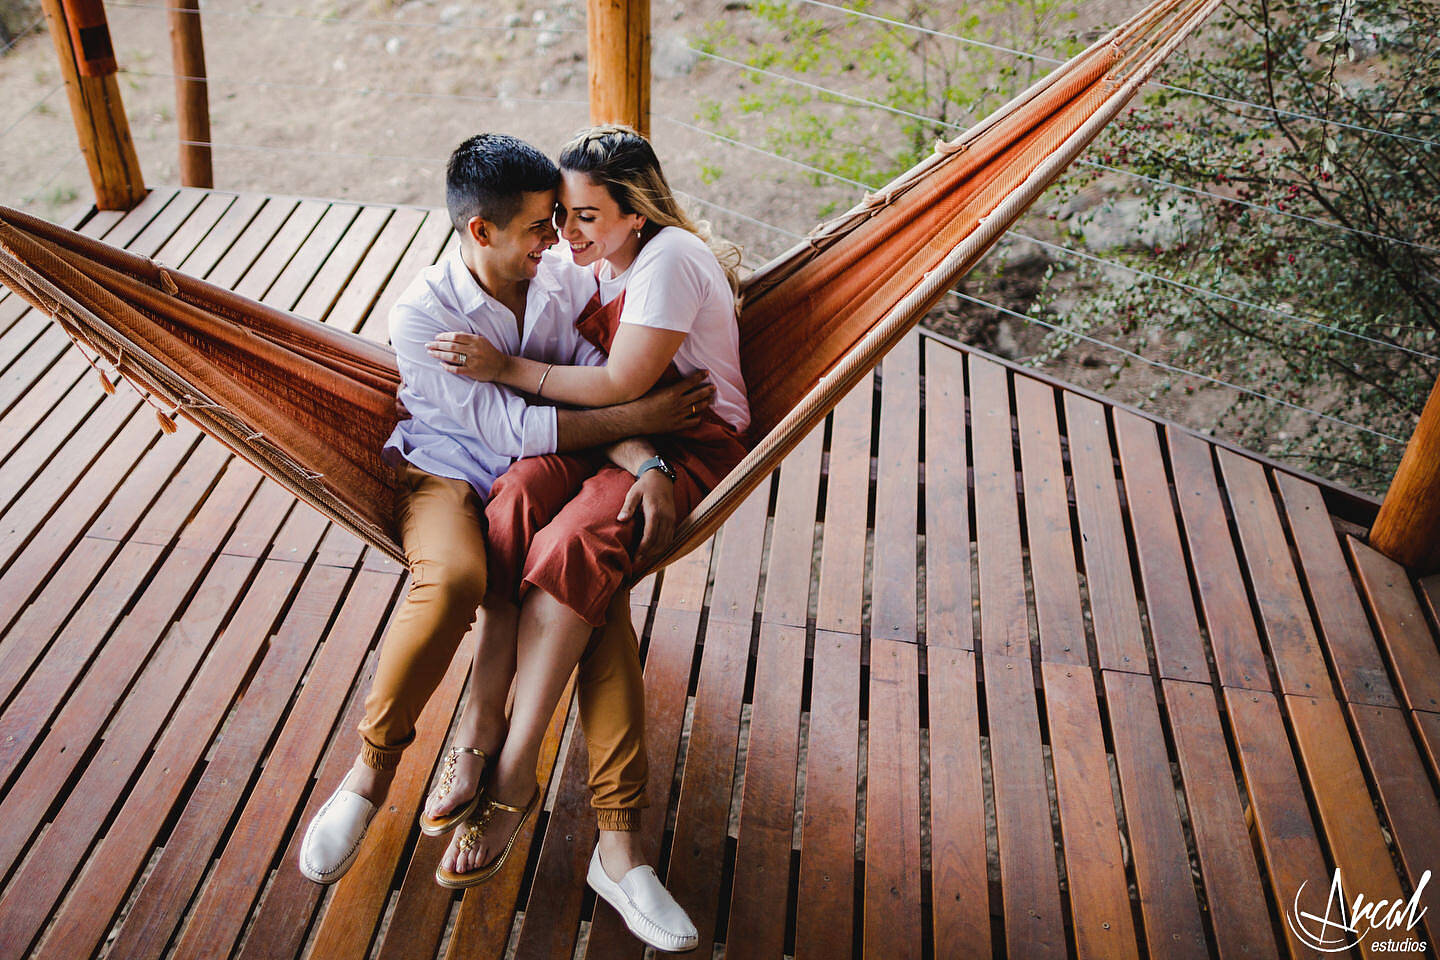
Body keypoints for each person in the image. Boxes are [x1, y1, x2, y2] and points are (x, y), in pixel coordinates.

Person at [296, 133, 711, 887]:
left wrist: (647, 456)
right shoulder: (423, 315)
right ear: (479, 231)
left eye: (558, 221)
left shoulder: (559, 278)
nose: (555, 241)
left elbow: (591, 383)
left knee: (590, 584)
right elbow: (510, 426)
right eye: (538, 228)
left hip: (537, 478)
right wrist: (643, 417)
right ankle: (369, 774)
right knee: (456, 579)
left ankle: (595, 823)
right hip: (449, 476)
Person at [423, 125, 749, 953]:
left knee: (572, 550)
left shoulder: (667, 259)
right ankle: (485, 731)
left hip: (687, 440)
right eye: (560, 218)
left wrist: (500, 367)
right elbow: (593, 388)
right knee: (516, 499)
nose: (568, 237)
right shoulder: (595, 255)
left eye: (587, 218)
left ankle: (511, 773)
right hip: (620, 433)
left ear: (635, 212)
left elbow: (621, 385)